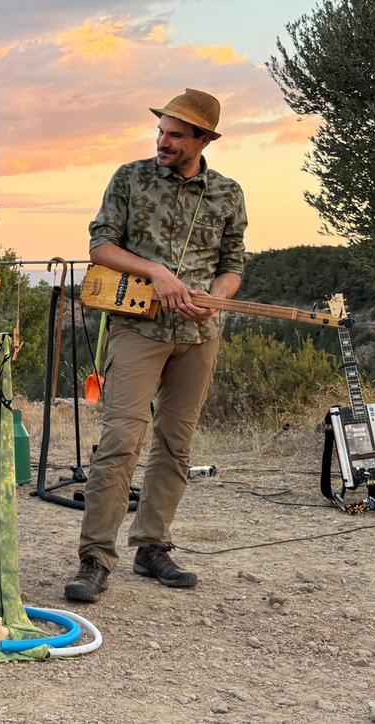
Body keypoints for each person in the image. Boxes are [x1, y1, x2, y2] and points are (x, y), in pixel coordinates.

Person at [65, 88, 247, 603]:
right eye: (161, 131)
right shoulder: (130, 177)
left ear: (203, 139)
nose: (163, 141)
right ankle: (95, 558)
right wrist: (156, 273)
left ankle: (152, 546)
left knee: (175, 443)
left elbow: (233, 264)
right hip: (136, 329)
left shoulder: (228, 193)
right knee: (120, 440)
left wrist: (217, 298)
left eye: (176, 135)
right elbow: (101, 246)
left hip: (198, 336)